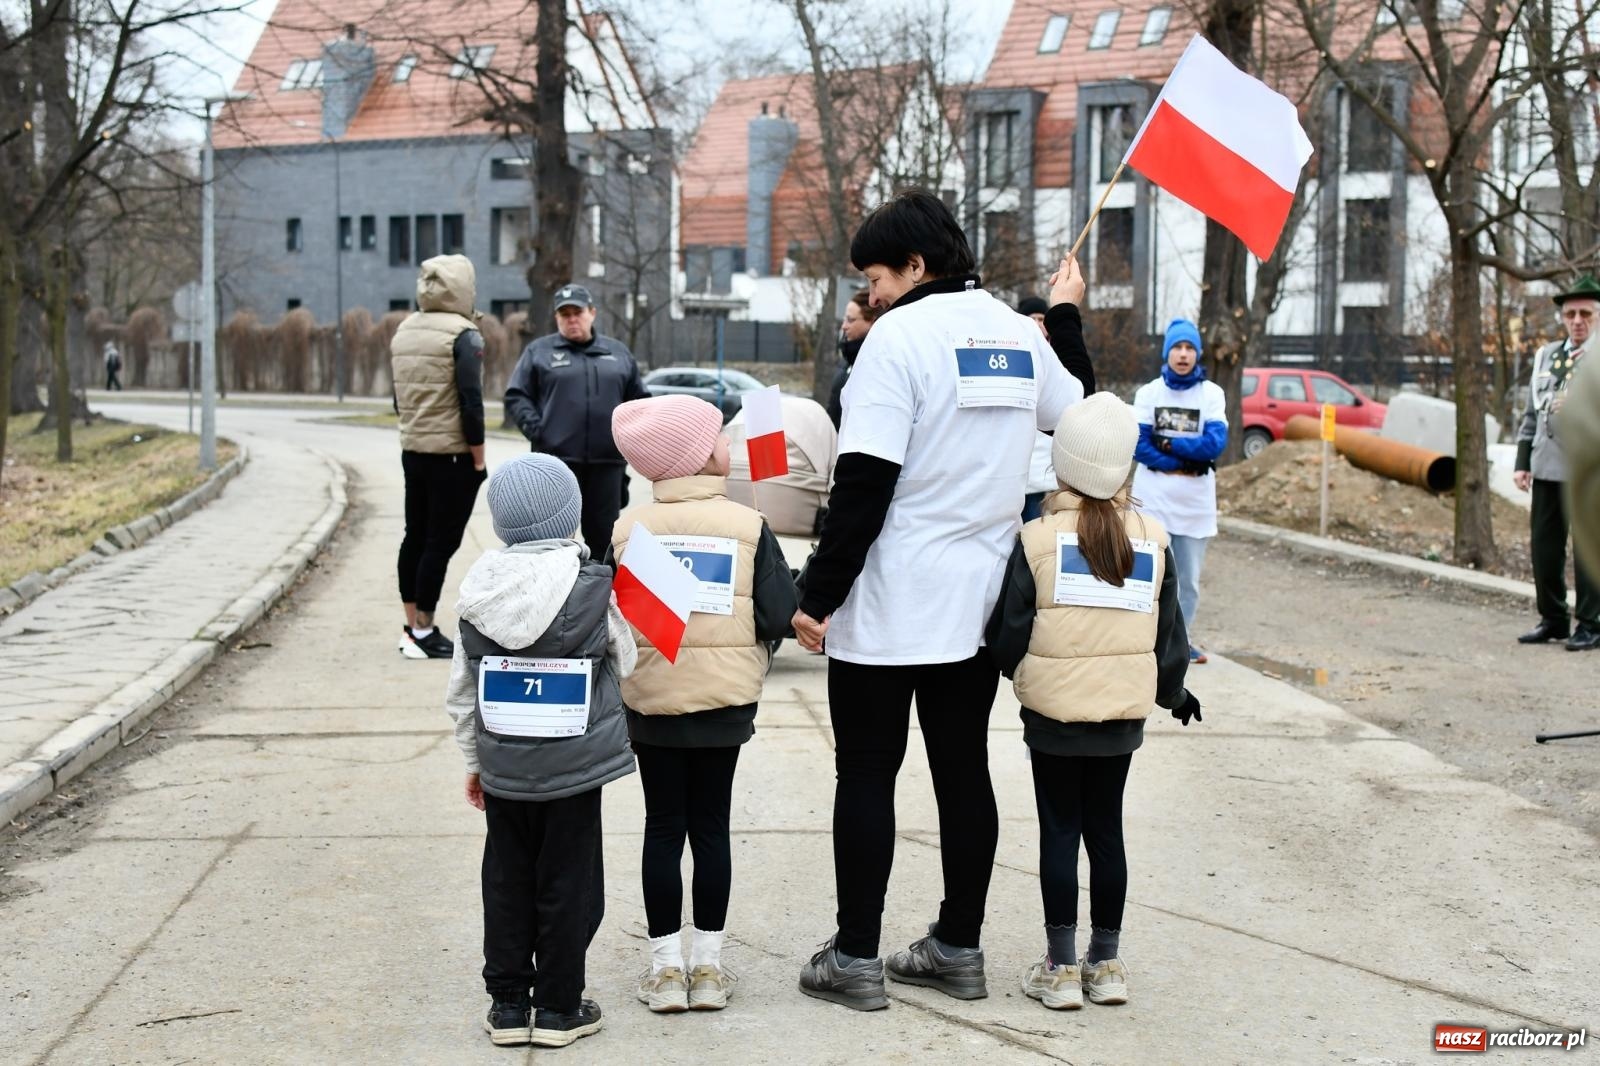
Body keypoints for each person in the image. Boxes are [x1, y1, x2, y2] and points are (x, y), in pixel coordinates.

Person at [790, 189, 1086, 1011]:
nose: (871, 294)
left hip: (887, 605)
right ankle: (959, 945)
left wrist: (818, 597)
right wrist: (1063, 318)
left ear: (916, 266)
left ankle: (855, 957)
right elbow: (1086, 421)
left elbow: (864, 483)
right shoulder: (1013, 334)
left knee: (867, 778)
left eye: (876, 276)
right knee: (964, 777)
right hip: (976, 608)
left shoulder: (896, 342)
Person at [986, 392, 1200, 1012]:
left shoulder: (1037, 539)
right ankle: (1105, 966)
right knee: (1106, 831)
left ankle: (1059, 968)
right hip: (1122, 717)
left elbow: (1009, 632)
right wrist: (1174, 693)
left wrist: (1012, 671)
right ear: (1126, 467)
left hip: (1052, 715)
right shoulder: (1154, 541)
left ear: (1061, 464)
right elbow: (1169, 637)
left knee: (1059, 830)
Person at [607, 395, 799, 1013]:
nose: (728, 446)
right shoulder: (748, 525)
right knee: (712, 826)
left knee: (662, 827)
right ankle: (710, 968)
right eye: (718, 438)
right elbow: (777, 613)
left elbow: (618, 619)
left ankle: (666, 972)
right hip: (724, 704)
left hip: (652, 703)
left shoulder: (627, 528)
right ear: (698, 455)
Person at [443, 453, 637, 1049]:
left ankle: (506, 1005)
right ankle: (557, 1006)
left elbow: (462, 690)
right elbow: (624, 660)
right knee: (570, 880)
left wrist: (475, 763)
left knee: (505, 878)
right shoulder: (592, 587)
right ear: (572, 515)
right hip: (574, 770)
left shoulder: (479, 590)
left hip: (505, 771)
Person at [504, 283, 650, 558]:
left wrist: (627, 440)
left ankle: (601, 597)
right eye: (564, 314)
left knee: (604, 539)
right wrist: (539, 431)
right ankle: (557, 597)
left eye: (577, 312)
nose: (572, 319)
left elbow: (639, 401)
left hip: (607, 466)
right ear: (557, 318)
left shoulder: (617, 353)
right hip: (556, 466)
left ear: (592, 313)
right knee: (553, 540)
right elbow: (517, 395)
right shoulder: (539, 352)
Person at [391, 254, 488, 660]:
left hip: (413, 451)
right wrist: (479, 460)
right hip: (452, 457)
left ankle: (411, 624)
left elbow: (398, 400)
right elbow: (471, 403)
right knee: (440, 542)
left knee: (415, 535)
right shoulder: (464, 336)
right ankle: (424, 632)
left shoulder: (404, 330)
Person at [1131, 319, 1226, 664]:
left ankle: (1180, 642)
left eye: (1189, 348)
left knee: (1188, 581)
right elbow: (1139, 446)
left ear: (1197, 353)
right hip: (1152, 501)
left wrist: (1167, 442)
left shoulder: (1211, 394)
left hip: (1195, 505)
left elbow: (1214, 445)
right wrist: (1178, 462)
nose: (1183, 355)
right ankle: (1142, 642)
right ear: (1167, 352)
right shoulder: (1149, 393)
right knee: (1147, 575)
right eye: (1177, 347)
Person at [1514, 274, 1599, 652]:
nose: (1577, 321)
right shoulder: (1547, 356)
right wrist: (1522, 460)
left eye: (1585, 314)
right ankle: (1553, 618)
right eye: (1570, 314)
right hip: (1547, 464)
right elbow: (1531, 412)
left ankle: (1591, 624)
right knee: (1544, 548)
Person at [1017, 293, 1099, 520]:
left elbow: (1077, 398)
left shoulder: (1061, 353)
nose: (1037, 325)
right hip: (1023, 471)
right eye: (1031, 318)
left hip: (1052, 470)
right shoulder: (1018, 356)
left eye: (1042, 319)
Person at [827, 290, 880, 429]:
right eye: (845, 319)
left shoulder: (877, 364)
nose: (844, 326)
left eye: (850, 320)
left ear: (872, 322)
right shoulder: (846, 361)